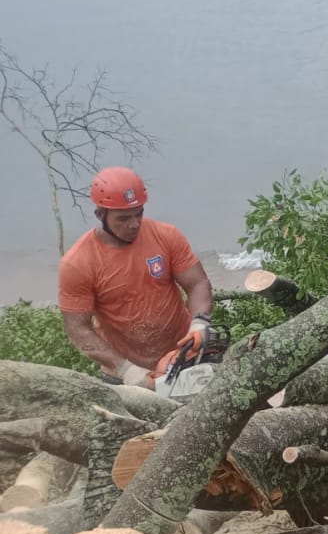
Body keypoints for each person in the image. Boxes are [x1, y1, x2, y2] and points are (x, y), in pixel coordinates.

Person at [57, 166, 214, 389]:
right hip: (124, 373)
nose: (134, 224)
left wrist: (199, 323)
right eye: (122, 218)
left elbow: (197, 283)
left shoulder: (166, 236)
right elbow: (78, 330)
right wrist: (125, 369)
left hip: (182, 357)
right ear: (100, 215)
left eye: (138, 213)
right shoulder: (78, 262)